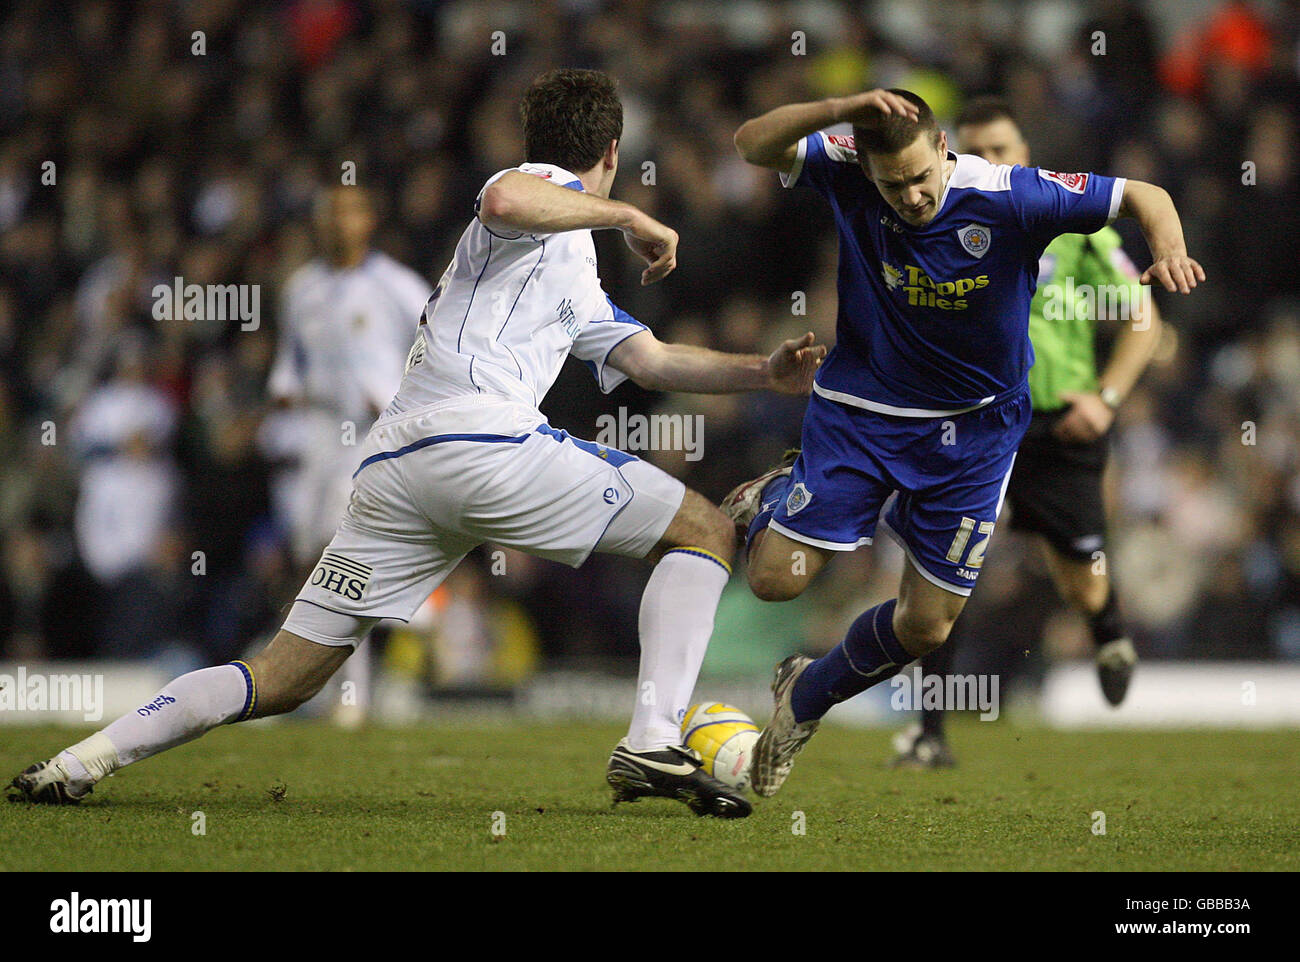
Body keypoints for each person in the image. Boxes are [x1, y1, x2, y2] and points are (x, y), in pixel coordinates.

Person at [8, 68, 825, 819]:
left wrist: (763, 371)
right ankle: (650, 739)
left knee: (286, 674)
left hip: (398, 471)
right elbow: (507, 201)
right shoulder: (535, 196)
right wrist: (628, 211)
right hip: (481, 444)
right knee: (706, 528)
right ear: (612, 151)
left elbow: (648, 357)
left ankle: (84, 759)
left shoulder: (572, 263)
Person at [724, 88, 1203, 797]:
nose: (912, 197)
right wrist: (840, 108)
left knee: (926, 629)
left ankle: (803, 700)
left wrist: (1169, 250)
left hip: (976, 432)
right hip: (865, 411)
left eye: (922, 177)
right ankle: (774, 497)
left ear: (945, 149)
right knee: (773, 581)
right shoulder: (845, 165)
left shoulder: (1013, 195)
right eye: (895, 185)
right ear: (869, 169)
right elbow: (751, 142)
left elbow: (1148, 193)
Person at [893, 98, 1162, 768]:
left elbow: (1144, 318)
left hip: (1056, 425)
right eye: (976, 151)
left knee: (1080, 582)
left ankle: (1106, 627)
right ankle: (929, 731)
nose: (990, 162)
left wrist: (1105, 399)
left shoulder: (1074, 228)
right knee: (943, 572)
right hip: (969, 422)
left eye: (1004, 151)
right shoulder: (931, 223)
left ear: (1027, 158)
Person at [266, 185, 433, 727]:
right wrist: (286, 386)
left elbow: (438, 350)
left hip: (371, 436)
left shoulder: (399, 287)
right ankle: (333, 683)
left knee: (338, 557)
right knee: (310, 557)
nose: (339, 222)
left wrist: (395, 397)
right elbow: (290, 356)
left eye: (349, 211)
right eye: (329, 211)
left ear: (370, 219)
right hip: (316, 435)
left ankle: (353, 693)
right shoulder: (302, 287)